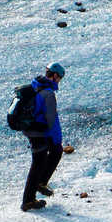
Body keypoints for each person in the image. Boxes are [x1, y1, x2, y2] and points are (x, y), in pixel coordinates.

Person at [21, 63, 72, 211]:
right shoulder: (48, 94)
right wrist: (56, 141)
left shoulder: (37, 86)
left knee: (42, 160)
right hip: (39, 131)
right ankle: (29, 199)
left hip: (32, 129)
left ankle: (38, 187)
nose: (59, 81)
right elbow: (51, 121)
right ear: (55, 75)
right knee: (44, 159)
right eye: (60, 78)